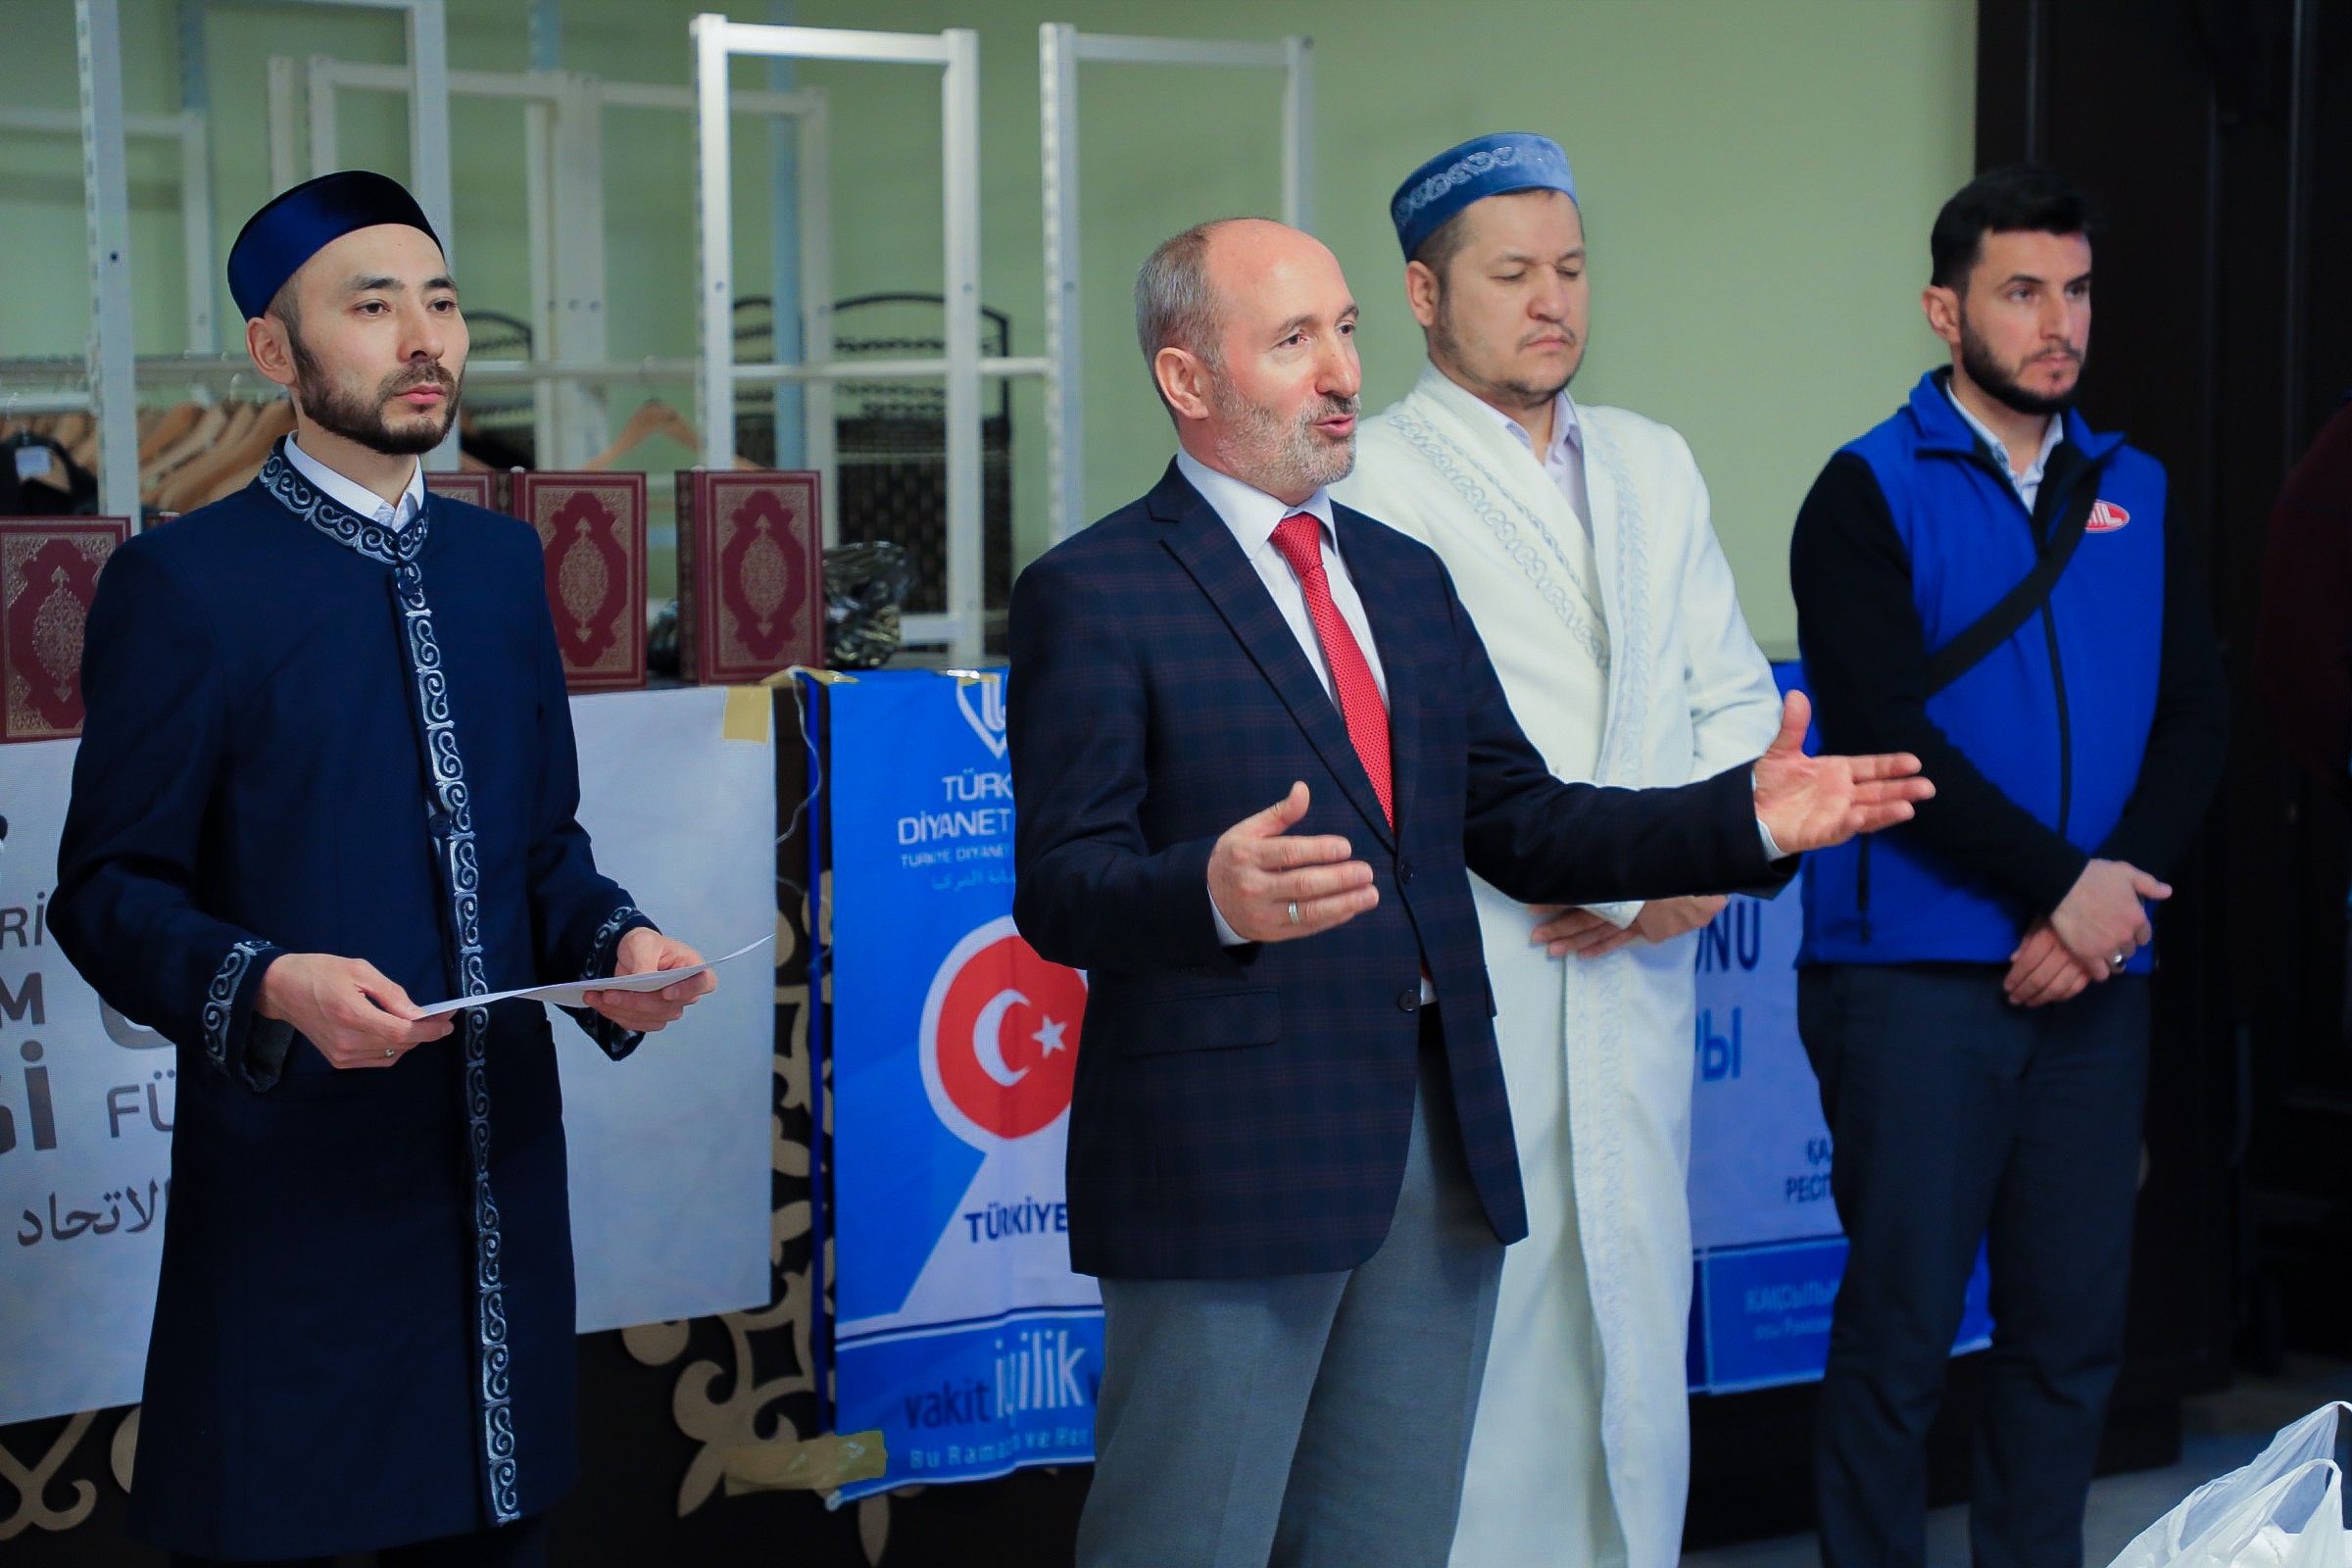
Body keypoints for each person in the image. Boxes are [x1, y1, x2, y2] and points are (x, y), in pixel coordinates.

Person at [1008, 216, 1932, 1568]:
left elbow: (1522, 821)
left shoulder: (1402, 578)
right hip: (1229, 1167)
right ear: (1187, 379)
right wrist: (1205, 894)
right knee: (1186, 1544)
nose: (1341, 373)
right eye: (1292, 341)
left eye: (1344, 332)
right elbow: (1060, 887)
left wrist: (1739, 819)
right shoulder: (1094, 592)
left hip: (1435, 1155)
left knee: (1389, 1544)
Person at [50, 170, 716, 1568]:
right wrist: (271, 983)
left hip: (498, 1191)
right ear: (274, 352)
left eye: (442, 303)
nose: (425, 340)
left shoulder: (499, 567)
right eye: (372, 308)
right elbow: (107, 893)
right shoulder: (189, 585)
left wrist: (615, 947)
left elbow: (542, 850)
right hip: (301, 1208)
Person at [1334, 132, 1783, 1568]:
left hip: (1643, 964)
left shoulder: (1653, 460)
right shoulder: (1367, 479)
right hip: (1485, 961)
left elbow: (1735, 703)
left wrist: (1678, 881)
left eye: (1572, 269)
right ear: (1423, 293)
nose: (1552, 301)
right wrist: (1619, 876)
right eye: (1513, 272)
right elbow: (1388, 751)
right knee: (1488, 1328)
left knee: (1634, 1305)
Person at [1788, 165, 2227, 1568]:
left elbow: (2197, 713)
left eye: (2077, 291)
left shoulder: (2134, 487)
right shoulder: (1865, 490)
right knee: (1899, 1335)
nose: (2060, 323)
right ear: (1945, 309)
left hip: (2098, 973)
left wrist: (2109, 902)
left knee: (2068, 1335)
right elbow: (1884, 735)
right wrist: (2061, 887)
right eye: (2023, 291)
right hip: (1912, 981)